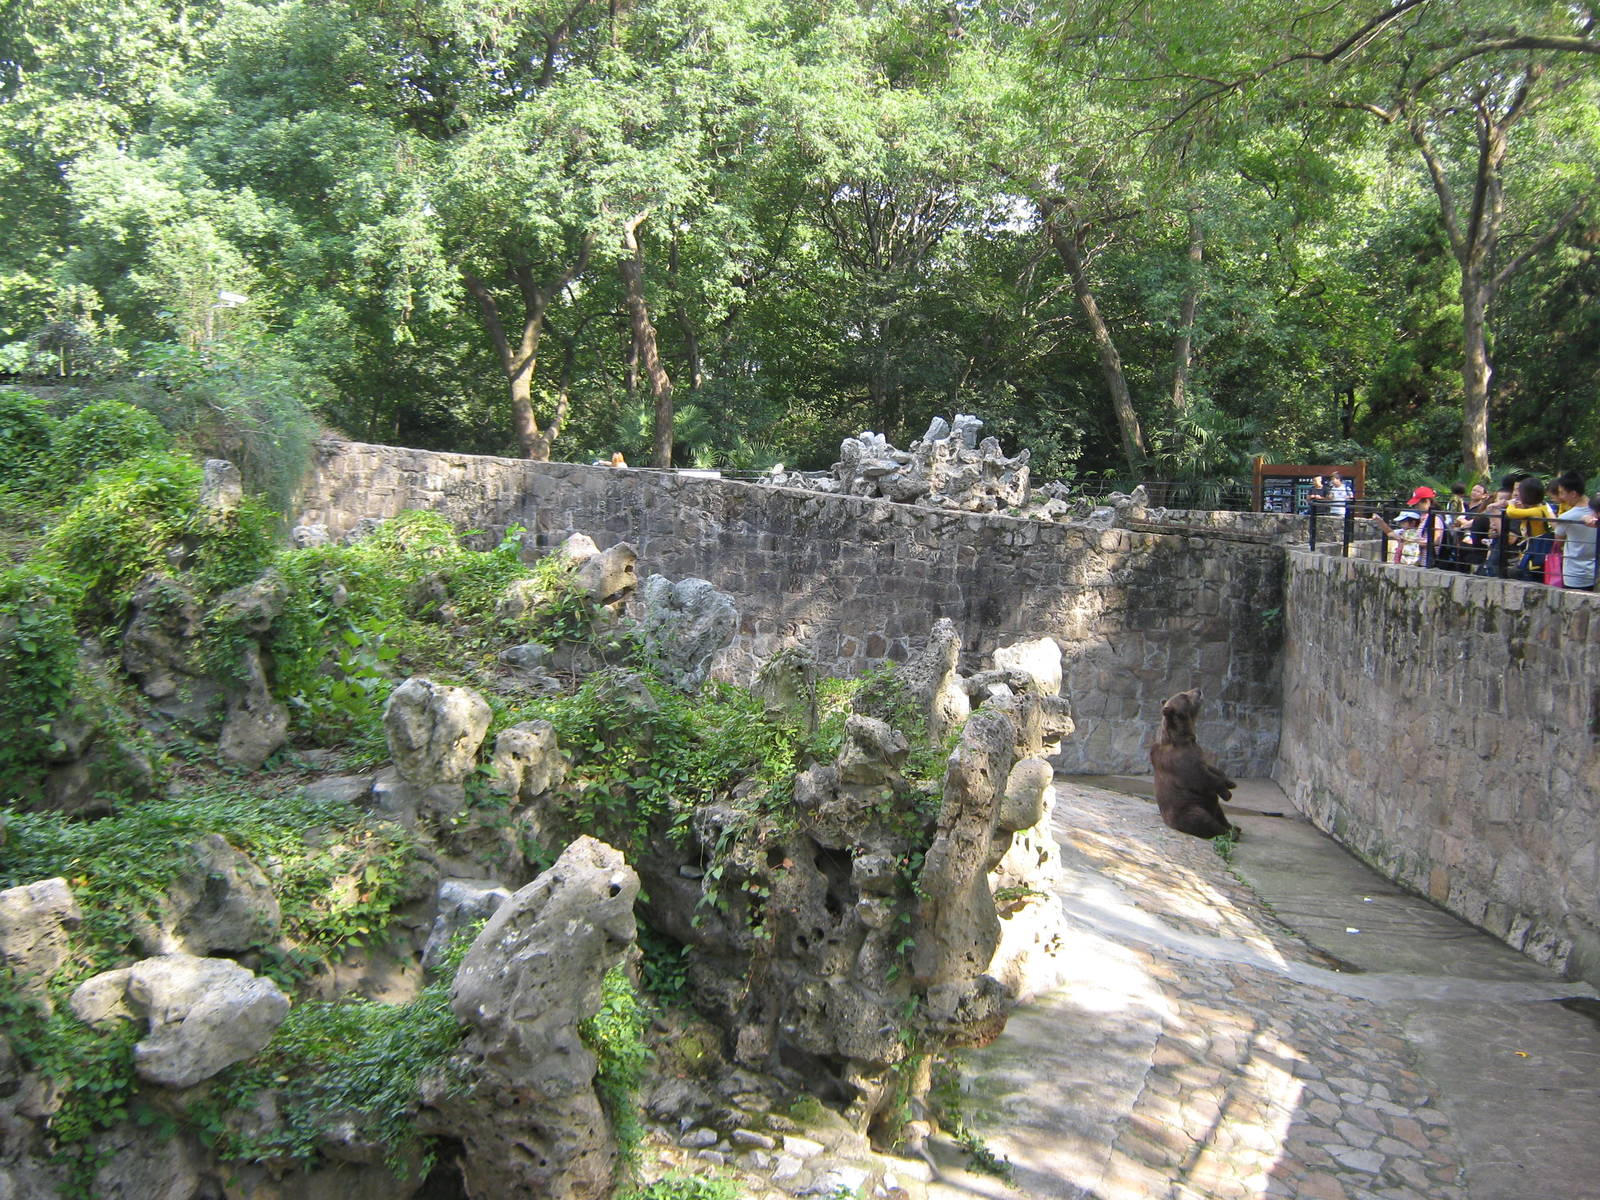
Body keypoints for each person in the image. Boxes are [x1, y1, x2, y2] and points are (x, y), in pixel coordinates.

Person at [1502, 477, 1556, 582]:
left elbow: (1511, 513)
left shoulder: (1536, 511)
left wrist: (1511, 504)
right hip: (1534, 548)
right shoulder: (1541, 507)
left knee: (1527, 575)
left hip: (1536, 549)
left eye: (1520, 491)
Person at [1550, 470, 1597, 590]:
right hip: (1595, 572)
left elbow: (1558, 541)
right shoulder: (1596, 511)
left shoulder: (1567, 517)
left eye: (1562, 493)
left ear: (1573, 494)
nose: (1561, 497)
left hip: (1574, 573)